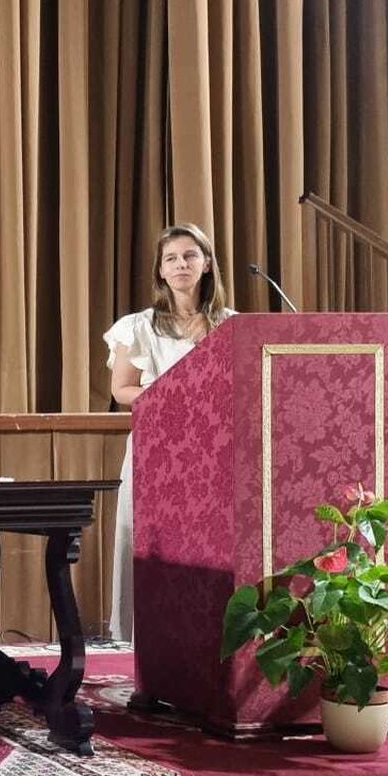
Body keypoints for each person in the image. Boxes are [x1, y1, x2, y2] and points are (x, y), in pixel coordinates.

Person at [105, 222, 235, 642]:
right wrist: (171, 392)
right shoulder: (139, 326)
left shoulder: (231, 325)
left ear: (207, 263)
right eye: (172, 259)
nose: (181, 264)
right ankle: (145, 642)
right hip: (156, 450)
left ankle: (210, 637)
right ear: (160, 271)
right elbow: (121, 389)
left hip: (214, 453)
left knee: (208, 547)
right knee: (149, 543)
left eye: (190, 256)